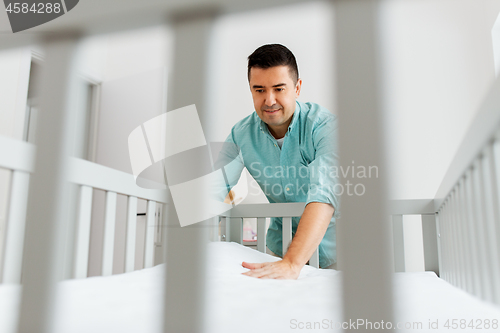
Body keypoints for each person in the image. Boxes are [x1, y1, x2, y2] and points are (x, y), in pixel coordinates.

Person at [220, 44, 339, 279]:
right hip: (278, 249)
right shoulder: (240, 135)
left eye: (278, 88)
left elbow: (324, 193)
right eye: (259, 90)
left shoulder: (325, 126)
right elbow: (213, 187)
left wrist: (292, 263)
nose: (269, 100)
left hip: (338, 252)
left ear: (297, 88)